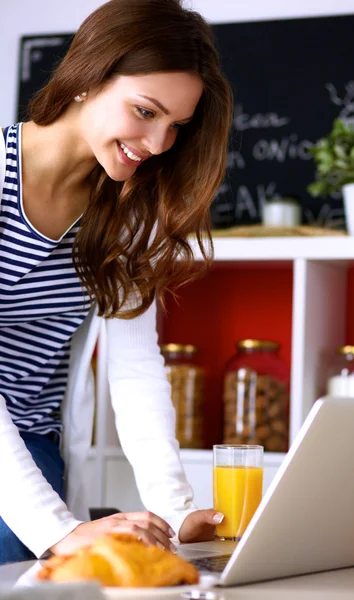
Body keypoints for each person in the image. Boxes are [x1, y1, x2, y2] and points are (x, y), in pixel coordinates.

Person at [0, 0, 232, 565]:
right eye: (145, 111)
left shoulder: (129, 208)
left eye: (175, 126)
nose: (157, 144)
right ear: (88, 77)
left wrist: (175, 511)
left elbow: (133, 367)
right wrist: (58, 529)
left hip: (30, 449)